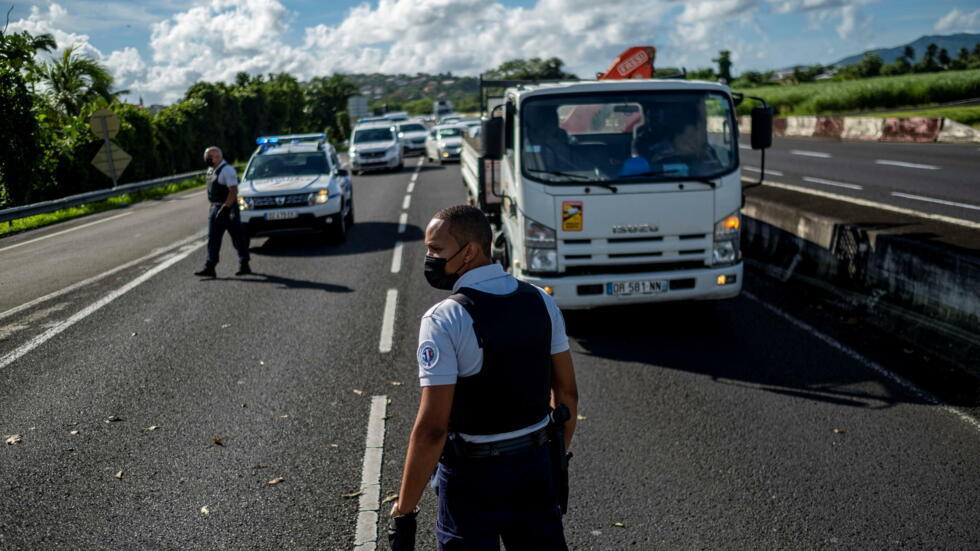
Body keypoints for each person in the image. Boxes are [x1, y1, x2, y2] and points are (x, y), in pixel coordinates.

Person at [388, 205, 579, 551]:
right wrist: (553, 461)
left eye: (436, 250)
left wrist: (405, 509)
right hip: (535, 467)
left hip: (472, 480)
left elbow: (433, 429)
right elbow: (567, 395)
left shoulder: (444, 319)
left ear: (470, 251)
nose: (429, 259)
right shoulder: (541, 301)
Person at [194, 146, 251, 278]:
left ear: (218, 157)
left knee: (237, 237)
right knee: (213, 238)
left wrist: (226, 207)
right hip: (215, 208)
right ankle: (210, 266)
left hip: (227, 209)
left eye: (209, 157)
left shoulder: (227, 170)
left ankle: (244, 263)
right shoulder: (210, 171)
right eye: (206, 157)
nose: (206, 159)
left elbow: (233, 190)